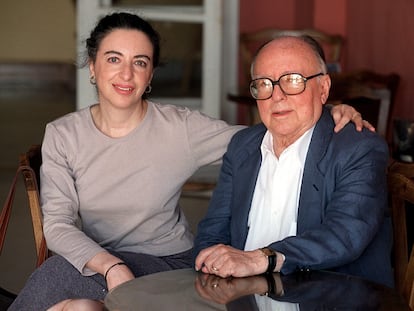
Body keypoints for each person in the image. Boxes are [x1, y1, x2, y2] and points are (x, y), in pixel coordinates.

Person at [8, 12, 371, 311]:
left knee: (58, 282)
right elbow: (56, 226)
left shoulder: (179, 128)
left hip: (166, 263)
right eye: (113, 59)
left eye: (140, 62)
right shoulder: (62, 133)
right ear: (92, 66)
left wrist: (325, 111)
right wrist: (111, 266)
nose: (126, 74)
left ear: (150, 75)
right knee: (74, 305)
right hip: (99, 261)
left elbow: (270, 133)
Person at [193, 35, 393, 289]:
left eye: (293, 81)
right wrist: (213, 265)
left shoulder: (358, 148)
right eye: (264, 84)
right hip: (243, 298)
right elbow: (212, 232)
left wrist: (260, 259)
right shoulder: (242, 146)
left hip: (330, 300)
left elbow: (345, 235)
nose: (277, 96)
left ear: (323, 89)